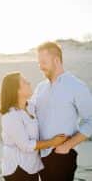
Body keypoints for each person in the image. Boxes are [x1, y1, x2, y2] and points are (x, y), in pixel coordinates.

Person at [32, 41, 92, 181]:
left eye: (43, 62)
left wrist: (67, 146)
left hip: (62, 155)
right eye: (39, 63)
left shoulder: (76, 86)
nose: (40, 67)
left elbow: (90, 120)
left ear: (57, 60)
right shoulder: (40, 88)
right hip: (40, 156)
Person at [0, 71, 68, 181]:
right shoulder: (10, 116)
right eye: (24, 82)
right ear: (17, 90)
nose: (29, 83)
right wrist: (52, 142)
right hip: (17, 169)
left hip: (31, 167)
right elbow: (26, 145)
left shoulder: (30, 106)